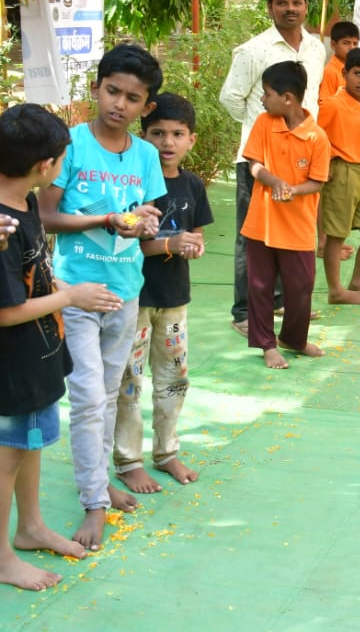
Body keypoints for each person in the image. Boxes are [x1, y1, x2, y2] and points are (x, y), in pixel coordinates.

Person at [37, 45, 166, 552]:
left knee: (109, 395)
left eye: (133, 98)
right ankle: (94, 500)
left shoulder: (146, 156)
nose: (119, 104)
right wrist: (105, 219)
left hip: (125, 291)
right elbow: (47, 217)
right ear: (96, 88)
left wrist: (145, 226)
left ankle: (101, 481)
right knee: (89, 397)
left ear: (145, 106)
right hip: (73, 291)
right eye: (112, 91)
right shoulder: (69, 145)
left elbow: (148, 217)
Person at [0, 105, 112, 588]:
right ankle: (2, 558)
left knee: (30, 444)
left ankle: (30, 527)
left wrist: (60, 285)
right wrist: (70, 297)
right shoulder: (1, 224)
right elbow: (4, 311)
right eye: (64, 157)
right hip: (11, 364)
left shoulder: (25, 202)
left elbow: (33, 273)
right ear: (45, 166)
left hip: (40, 353)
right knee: (6, 457)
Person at [112, 93, 211, 495]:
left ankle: (167, 452)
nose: (167, 143)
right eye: (157, 134)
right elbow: (129, 243)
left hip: (175, 300)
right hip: (135, 298)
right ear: (143, 135)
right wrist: (171, 244)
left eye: (176, 134)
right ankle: (128, 460)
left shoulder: (192, 185)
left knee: (174, 377)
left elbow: (198, 234)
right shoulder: (134, 184)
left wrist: (194, 244)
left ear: (191, 140)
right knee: (130, 380)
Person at [219, 0, 326, 338]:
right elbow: (231, 99)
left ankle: (279, 301)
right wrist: (263, 129)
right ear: (270, 8)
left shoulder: (315, 48)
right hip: (258, 161)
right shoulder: (254, 51)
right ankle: (243, 311)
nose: (290, 9)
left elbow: (311, 100)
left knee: (290, 234)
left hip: (301, 160)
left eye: (297, 2)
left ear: (306, 6)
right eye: (282, 3)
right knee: (252, 238)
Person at [242, 62, 331, 370]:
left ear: (288, 98)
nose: (263, 100)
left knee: (302, 285)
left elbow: (318, 181)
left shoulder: (317, 137)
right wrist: (273, 181)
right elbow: (253, 163)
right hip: (261, 224)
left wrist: (293, 189)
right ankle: (267, 344)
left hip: (299, 227)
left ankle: (293, 338)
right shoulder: (264, 123)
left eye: (267, 94)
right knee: (260, 286)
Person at [317, 48, 360, 307]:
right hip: (342, 173)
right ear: (344, 73)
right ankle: (335, 290)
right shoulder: (332, 104)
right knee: (336, 236)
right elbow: (316, 137)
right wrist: (327, 163)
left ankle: (358, 281)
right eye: (357, 74)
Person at [318, 21, 360, 105]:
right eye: (346, 43)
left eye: (355, 44)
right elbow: (325, 103)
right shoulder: (330, 71)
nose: (352, 47)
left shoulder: (356, 69)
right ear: (333, 45)